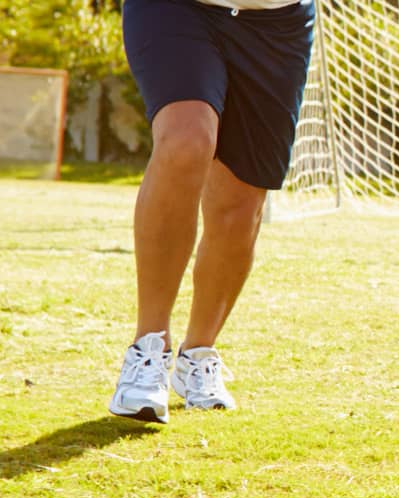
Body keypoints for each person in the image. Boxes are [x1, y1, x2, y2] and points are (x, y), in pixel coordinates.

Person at [108, 0, 316, 423]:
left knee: (240, 204)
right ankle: (148, 349)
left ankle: (198, 355)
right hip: (176, 9)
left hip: (276, 21)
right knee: (187, 141)